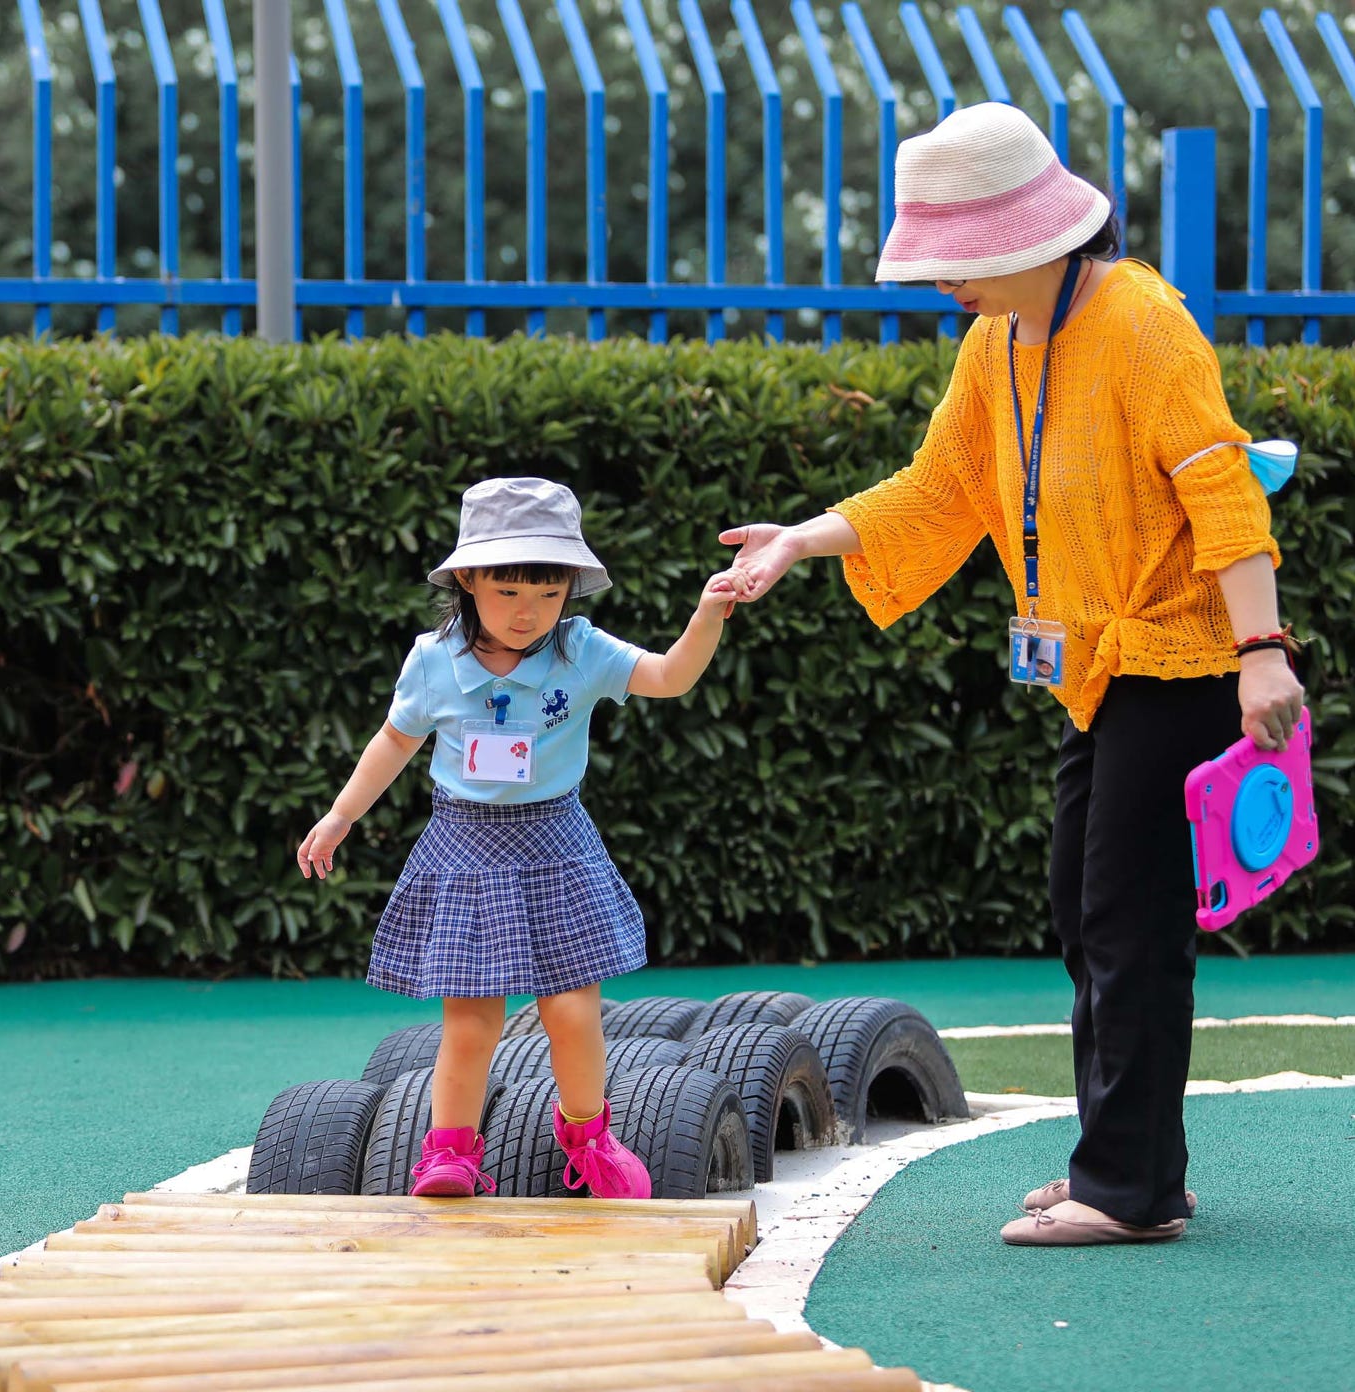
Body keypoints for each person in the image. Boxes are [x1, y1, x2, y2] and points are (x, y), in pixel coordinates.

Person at [718, 104, 1304, 1246]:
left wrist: (1260, 652)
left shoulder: (1141, 321)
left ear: (1029, 239)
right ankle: (1135, 1168)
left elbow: (1221, 490)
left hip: (1177, 656)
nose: (944, 283)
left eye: (957, 258)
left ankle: (1123, 1192)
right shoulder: (996, 342)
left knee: (1125, 921)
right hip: (1095, 667)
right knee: (1084, 917)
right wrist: (803, 536)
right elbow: (941, 487)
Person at [298, 476, 739, 1199]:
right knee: (471, 1022)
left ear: (571, 586)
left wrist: (709, 614)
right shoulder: (434, 660)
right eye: (507, 591)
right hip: (466, 847)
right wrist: (341, 815)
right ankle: (450, 1153)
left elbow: (669, 676)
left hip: (555, 844)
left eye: (548, 590)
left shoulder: (581, 649)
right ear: (468, 578)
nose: (528, 611)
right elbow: (393, 739)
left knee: (570, 1013)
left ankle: (588, 1137)